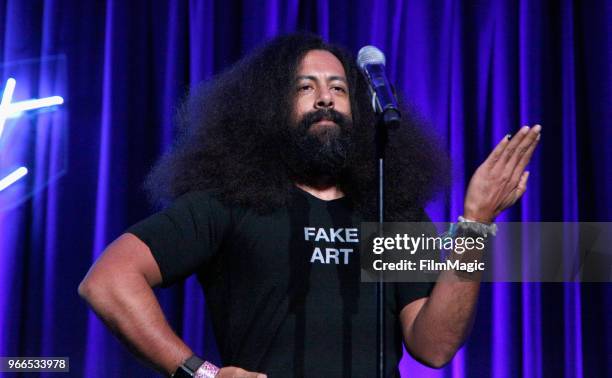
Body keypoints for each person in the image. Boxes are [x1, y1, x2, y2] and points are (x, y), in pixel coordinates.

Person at [78, 33, 541, 378]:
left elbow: (434, 346)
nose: (325, 99)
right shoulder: (229, 203)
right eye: (306, 88)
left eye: (339, 89)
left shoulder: (387, 210)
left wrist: (475, 223)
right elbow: (108, 280)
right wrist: (199, 372)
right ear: (270, 109)